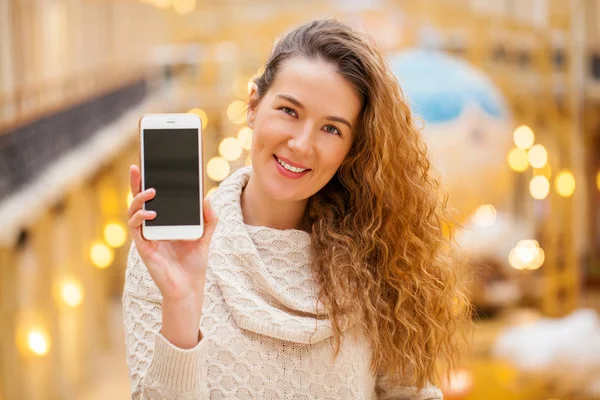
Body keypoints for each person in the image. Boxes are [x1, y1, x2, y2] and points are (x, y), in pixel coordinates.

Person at [123, 19, 469, 399]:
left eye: (331, 129)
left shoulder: (379, 255)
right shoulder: (169, 255)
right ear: (253, 105)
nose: (302, 144)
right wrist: (182, 304)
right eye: (289, 111)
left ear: (353, 148)